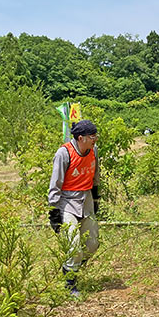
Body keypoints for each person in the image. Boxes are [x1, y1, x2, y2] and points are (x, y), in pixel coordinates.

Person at [48, 119, 100, 297]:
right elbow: (55, 184)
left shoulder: (94, 150)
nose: (95, 139)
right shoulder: (64, 154)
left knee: (93, 243)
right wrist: (54, 212)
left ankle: (73, 265)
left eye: (95, 135)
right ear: (80, 138)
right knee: (74, 246)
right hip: (67, 202)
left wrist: (96, 199)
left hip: (86, 199)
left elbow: (95, 175)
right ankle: (70, 281)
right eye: (92, 136)